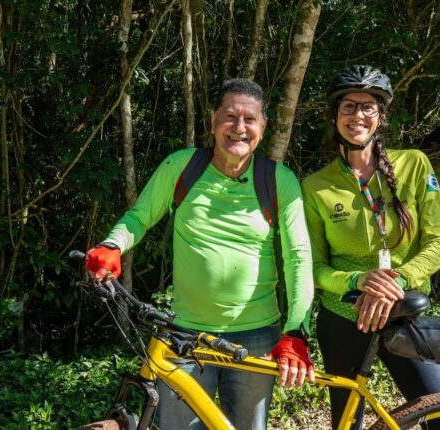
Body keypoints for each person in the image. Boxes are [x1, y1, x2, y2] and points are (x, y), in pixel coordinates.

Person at [85, 78, 315, 430]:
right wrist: (113, 245)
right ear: (212, 121)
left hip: (255, 338)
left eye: (250, 119)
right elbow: (139, 217)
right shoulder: (182, 166)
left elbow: (299, 258)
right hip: (183, 336)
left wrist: (296, 330)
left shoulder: (277, 179)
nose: (239, 128)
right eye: (230, 116)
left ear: (263, 126)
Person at [301, 65, 440, 430]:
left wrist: (396, 281)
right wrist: (360, 281)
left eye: (368, 107)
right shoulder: (315, 186)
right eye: (348, 107)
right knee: (347, 425)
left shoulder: (414, 164)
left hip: (404, 312)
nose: (357, 115)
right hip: (343, 317)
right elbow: (315, 267)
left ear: (381, 116)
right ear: (334, 115)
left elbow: (437, 242)